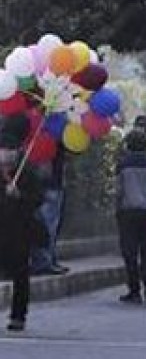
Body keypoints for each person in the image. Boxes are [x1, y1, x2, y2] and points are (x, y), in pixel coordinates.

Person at [0, 115, 43, 331]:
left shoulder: (26, 172)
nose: (5, 153)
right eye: (2, 149)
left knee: (20, 274)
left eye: (9, 149)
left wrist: (20, 196)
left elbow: (38, 199)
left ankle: (18, 315)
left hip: (19, 231)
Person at [115, 128, 146, 304]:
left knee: (130, 253)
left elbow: (119, 191)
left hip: (128, 213)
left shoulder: (122, 165)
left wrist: (116, 210)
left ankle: (134, 290)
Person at [30, 147, 67, 275]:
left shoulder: (44, 135)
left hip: (49, 184)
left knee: (49, 226)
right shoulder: (51, 138)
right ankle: (44, 262)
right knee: (47, 226)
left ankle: (48, 259)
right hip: (51, 184)